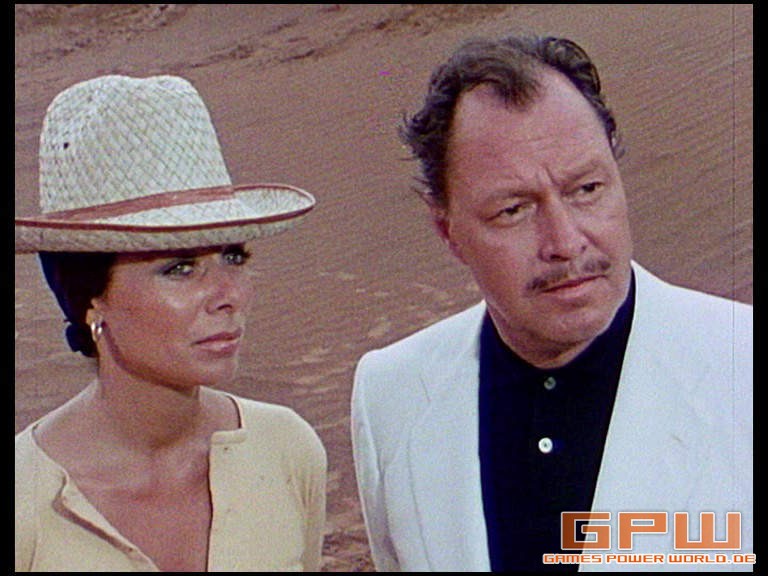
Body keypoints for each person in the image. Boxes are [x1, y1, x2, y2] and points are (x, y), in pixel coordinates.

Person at [351, 34, 752, 572]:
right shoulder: (390, 396)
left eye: (587, 189)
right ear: (448, 231)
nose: (564, 242)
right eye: (513, 210)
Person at [15, 75, 326, 572]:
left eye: (234, 256)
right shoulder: (25, 502)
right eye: (180, 268)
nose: (228, 295)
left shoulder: (285, 449)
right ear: (90, 297)